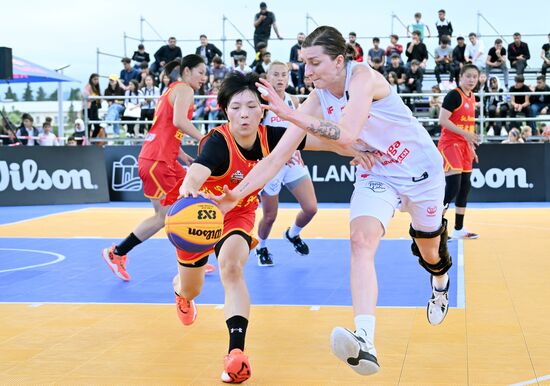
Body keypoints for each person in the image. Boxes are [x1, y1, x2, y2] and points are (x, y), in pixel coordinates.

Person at [212, 26, 452, 377]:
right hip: (377, 173)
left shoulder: (363, 78)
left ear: (339, 61)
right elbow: (276, 158)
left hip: (421, 174)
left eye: (314, 63)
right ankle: (366, 340)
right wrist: (235, 195)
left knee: (430, 252)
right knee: (360, 241)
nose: (307, 72)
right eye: (304, 64)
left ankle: (440, 281)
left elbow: (348, 133)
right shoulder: (317, 98)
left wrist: (290, 113)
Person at [164, 71, 353, 383]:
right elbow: (196, 174)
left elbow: (328, 141)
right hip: (200, 218)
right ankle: (181, 291)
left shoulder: (274, 138)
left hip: (237, 215)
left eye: (252, 106)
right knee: (191, 287)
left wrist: (358, 148)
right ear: (225, 110)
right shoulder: (217, 142)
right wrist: (189, 187)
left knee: (232, 269)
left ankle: (235, 353)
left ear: (262, 109)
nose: (244, 114)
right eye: (237, 107)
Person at [101, 55, 213, 281]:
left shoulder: (172, 89)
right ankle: (118, 253)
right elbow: (179, 122)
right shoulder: (184, 90)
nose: (204, 77)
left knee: (190, 201)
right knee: (164, 216)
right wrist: (206, 139)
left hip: (164, 159)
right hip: (157, 162)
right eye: (201, 72)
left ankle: (193, 258)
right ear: (187, 71)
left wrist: (181, 155)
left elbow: (167, 128)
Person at [255, 61, 318, 266]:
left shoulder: (293, 100)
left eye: (284, 74)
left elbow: (300, 128)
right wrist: (278, 153)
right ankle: (261, 247)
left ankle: (293, 234)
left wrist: (297, 149)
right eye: (276, 75)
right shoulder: (260, 102)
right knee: (270, 216)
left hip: (292, 162)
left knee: (310, 209)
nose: (280, 78)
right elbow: (255, 137)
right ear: (268, 77)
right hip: (271, 165)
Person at [438, 64, 481, 240]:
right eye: (468, 76)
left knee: (465, 186)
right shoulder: (454, 95)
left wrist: (470, 145)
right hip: (450, 144)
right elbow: (442, 120)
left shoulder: (472, 97)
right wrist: (466, 135)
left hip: (464, 146)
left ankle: (458, 228)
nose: (471, 80)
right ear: (461, 77)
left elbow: (468, 125)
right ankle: (434, 226)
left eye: (475, 77)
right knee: (453, 186)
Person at [82, 73, 101, 137]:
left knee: (97, 125)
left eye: (97, 79)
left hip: (95, 108)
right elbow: (86, 95)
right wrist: (95, 97)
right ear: (91, 79)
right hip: (88, 108)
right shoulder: (88, 86)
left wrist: (97, 98)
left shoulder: (97, 87)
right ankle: (87, 140)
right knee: (88, 125)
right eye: (95, 79)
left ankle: (92, 139)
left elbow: (100, 97)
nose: (96, 81)